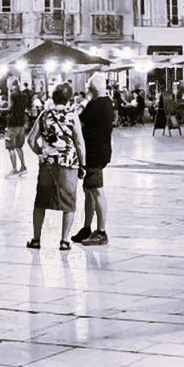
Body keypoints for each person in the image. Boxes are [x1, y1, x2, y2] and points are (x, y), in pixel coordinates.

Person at [27, 83, 86, 251]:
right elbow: (79, 143)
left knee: (41, 202)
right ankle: (64, 241)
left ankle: (36, 239)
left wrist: (41, 152)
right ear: (69, 98)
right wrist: (83, 164)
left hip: (48, 164)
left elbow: (30, 140)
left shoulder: (44, 115)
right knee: (69, 202)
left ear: (53, 98)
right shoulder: (72, 116)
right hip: (68, 163)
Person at [73, 76, 115, 245]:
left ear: (93, 88)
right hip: (101, 151)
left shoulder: (95, 105)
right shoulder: (107, 102)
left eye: (89, 88)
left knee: (96, 191)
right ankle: (87, 228)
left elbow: (78, 122)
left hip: (94, 153)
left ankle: (101, 232)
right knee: (89, 190)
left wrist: (82, 104)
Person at [6, 83, 32, 174]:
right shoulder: (24, 96)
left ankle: (14, 169)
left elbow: (10, 108)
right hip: (21, 124)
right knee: (19, 147)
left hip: (12, 124)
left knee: (11, 148)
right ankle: (23, 166)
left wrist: (0, 109)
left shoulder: (12, 95)